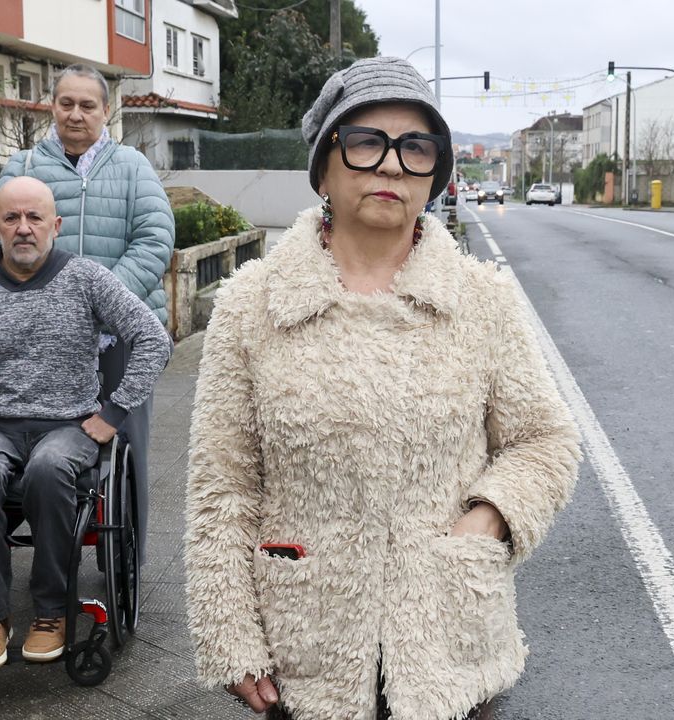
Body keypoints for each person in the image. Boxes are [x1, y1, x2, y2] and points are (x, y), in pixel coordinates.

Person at [184, 57, 583, 720]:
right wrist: (231, 637)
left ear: (436, 171)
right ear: (324, 166)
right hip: (303, 646)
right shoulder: (254, 304)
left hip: (446, 643)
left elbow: (543, 439)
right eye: (368, 142)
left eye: (416, 147)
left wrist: (486, 521)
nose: (393, 166)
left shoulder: (481, 301)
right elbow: (222, 486)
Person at [0, 176, 171, 672]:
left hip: (68, 425)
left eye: (35, 218)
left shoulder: (87, 279)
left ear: (55, 226)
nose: (24, 229)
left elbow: (153, 339)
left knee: (51, 468)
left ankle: (51, 611)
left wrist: (114, 413)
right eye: (12, 218)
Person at [0, 63, 174, 570]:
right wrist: (46, 308)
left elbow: (154, 241)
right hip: (41, 342)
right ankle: (44, 555)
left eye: (89, 105)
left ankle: (122, 561)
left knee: (125, 442)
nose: (77, 114)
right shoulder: (23, 167)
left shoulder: (133, 167)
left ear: (106, 112)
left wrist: (101, 309)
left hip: (119, 340)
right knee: (44, 449)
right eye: (67, 103)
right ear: (51, 106)